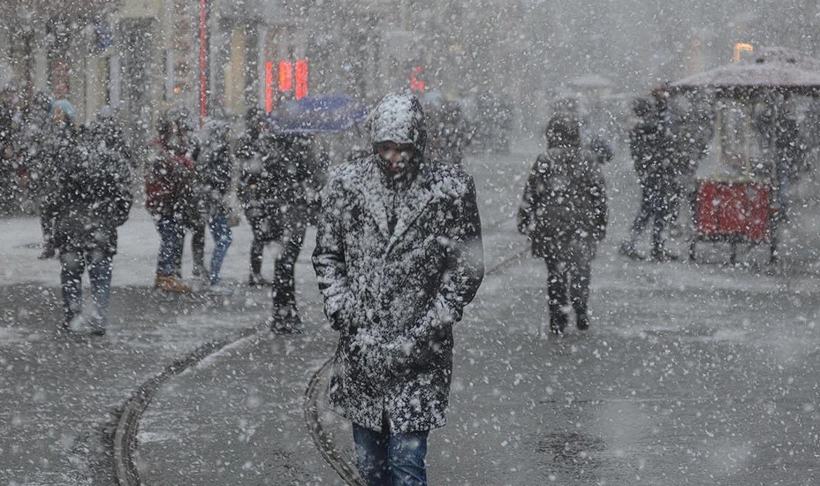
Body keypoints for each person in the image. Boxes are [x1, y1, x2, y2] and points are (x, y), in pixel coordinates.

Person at [312, 92, 484, 485]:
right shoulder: (346, 184)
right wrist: (345, 310)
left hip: (420, 352)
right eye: (386, 148)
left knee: (407, 463)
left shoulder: (451, 190)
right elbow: (327, 255)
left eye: (403, 148)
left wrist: (430, 327)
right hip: (363, 350)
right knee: (371, 466)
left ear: (419, 143)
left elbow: (466, 269)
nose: (394, 158)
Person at [517, 113, 608, 334]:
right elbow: (599, 194)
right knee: (581, 269)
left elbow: (531, 192)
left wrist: (524, 219)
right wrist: (601, 221)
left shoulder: (545, 159)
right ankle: (580, 307)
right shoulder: (588, 159)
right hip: (582, 224)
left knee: (555, 273)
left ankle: (557, 315)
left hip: (551, 225)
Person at [45, 114, 133, 335]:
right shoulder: (113, 161)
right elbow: (125, 196)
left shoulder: (68, 159)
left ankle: (73, 316)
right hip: (100, 225)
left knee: (71, 272)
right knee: (100, 273)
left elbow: (52, 198)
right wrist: (114, 218)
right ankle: (98, 318)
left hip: (70, 225)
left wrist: (53, 227)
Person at [619, 96, 678, 262]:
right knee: (657, 209)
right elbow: (659, 133)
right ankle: (654, 247)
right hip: (653, 173)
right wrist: (662, 108)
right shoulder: (646, 127)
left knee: (650, 209)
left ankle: (637, 244)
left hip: (650, 172)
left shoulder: (640, 127)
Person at [145, 112, 197, 293]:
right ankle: (166, 274)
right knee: (170, 238)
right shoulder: (159, 149)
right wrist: (183, 164)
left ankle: (164, 274)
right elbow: (172, 168)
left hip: (169, 199)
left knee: (171, 237)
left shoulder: (168, 147)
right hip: (164, 200)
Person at [190, 119, 235, 293]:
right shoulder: (219, 152)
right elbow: (219, 178)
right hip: (214, 202)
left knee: (221, 238)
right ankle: (214, 277)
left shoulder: (206, 152)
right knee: (224, 239)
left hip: (208, 201)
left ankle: (212, 274)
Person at [236, 107, 275, 287]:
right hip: (252, 194)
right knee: (259, 233)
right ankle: (255, 273)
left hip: (260, 194)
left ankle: (256, 272)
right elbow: (249, 168)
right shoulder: (249, 142)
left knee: (263, 233)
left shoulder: (264, 140)